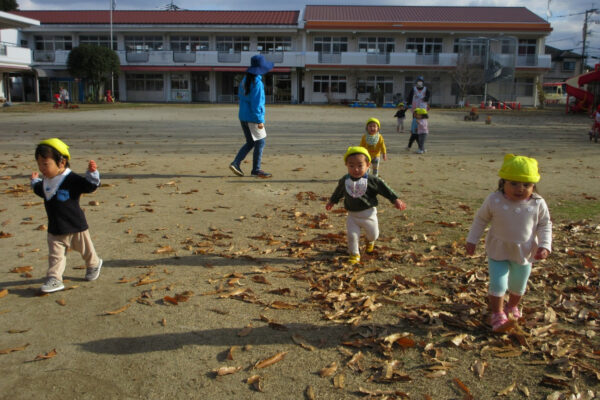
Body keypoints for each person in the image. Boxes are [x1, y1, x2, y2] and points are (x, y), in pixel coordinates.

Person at [465, 154, 552, 333]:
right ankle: (497, 313)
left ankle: (511, 306)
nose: (520, 189)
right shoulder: (494, 200)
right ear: (503, 182)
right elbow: (481, 220)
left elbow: (544, 224)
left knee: (518, 284)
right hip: (498, 250)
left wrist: (545, 245)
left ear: (533, 186)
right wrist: (472, 240)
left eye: (526, 185)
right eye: (514, 183)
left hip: (525, 253)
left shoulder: (537, 203)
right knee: (498, 284)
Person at [31, 138, 103, 293]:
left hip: (76, 225)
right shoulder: (46, 181)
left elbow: (89, 186)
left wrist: (92, 174)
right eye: (39, 164)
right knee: (55, 256)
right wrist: (34, 181)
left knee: (87, 251)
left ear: (61, 163)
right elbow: (40, 190)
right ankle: (54, 278)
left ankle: (94, 264)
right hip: (55, 228)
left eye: (46, 164)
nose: (42, 168)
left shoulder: (71, 179)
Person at [325, 146, 406, 265]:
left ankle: (370, 241)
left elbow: (385, 189)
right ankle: (354, 253)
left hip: (369, 215)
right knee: (352, 236)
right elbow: (338, 191)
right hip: (352, 216)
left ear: (368, 165)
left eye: (360, 165)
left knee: (373, 235)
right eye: (351, 166)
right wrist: (332, 201)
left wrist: (395, 199)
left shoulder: (372, 180)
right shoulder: (345, 180)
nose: (356, 169)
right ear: (346, 165)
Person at [229, 54, 274, 178]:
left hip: (243, 116)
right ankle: (256, 169)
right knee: (260, 142)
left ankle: (236, 163)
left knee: (250, 142)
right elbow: (256, 104)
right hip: (253, 118)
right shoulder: (257, 83)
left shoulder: (244, 81)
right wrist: (260, 120)